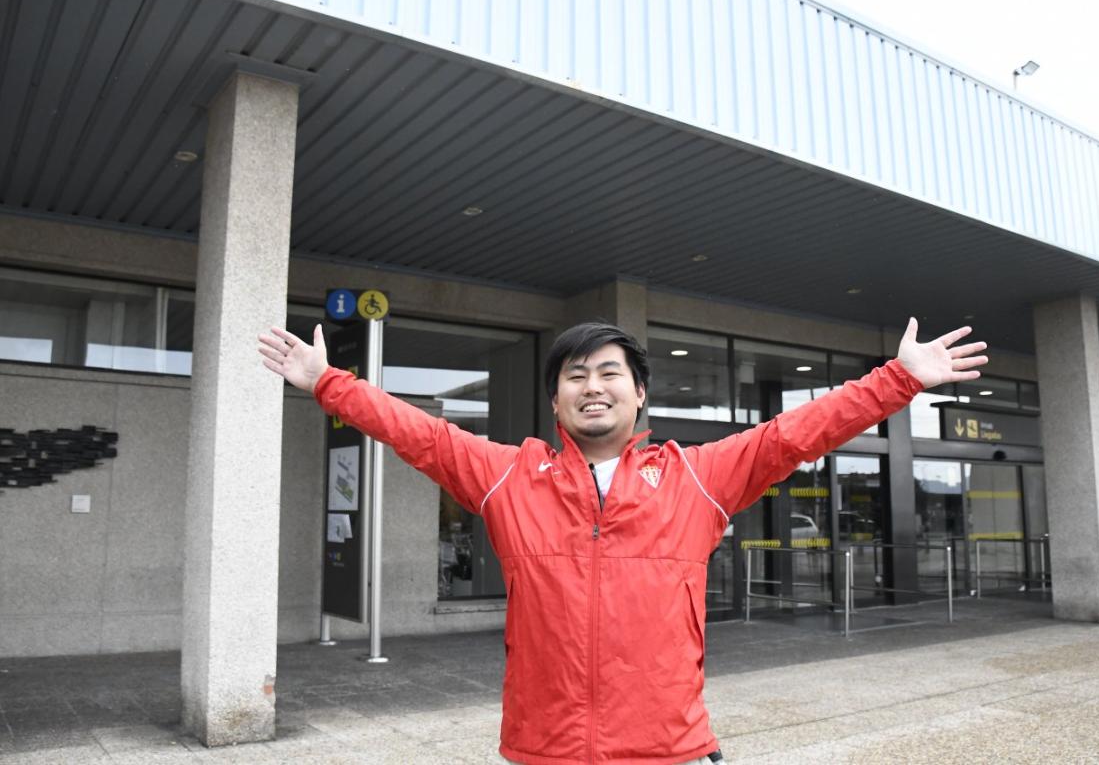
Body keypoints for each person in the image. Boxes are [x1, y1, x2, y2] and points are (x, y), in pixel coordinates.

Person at [258, 317, 986, 764]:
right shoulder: (510, 476)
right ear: (555, 401)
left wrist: (898, 381)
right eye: (576, 375)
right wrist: (328, 383)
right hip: (544, 751)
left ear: (640, 395)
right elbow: (420, 434)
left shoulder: (698, 477)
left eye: (611, 373)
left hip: (669, 750)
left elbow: (796, 433)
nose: (592, 385)